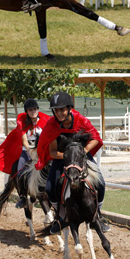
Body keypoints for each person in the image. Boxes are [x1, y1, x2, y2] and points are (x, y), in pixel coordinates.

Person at [35, 92, 106, 234]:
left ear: (69, 108)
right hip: (62, 159)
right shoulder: (51, 125)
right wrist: (68, 157)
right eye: (56, 110)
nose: (59, 113)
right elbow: (53, 152)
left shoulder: (81, 120)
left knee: (101, 183)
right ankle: (60, 217)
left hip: (81, 157)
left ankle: (97, 215)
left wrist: (82, 153)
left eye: (62, 109)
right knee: (49, 187)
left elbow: (96, 139)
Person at [0, 99, 50, 208]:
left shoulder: (46, 121)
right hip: (27, 151)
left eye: (35, 109)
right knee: (19, 170)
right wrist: (30, 152)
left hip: (42, 152)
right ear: (26, 111)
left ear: (38, 109)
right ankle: (23, 197)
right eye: (30, 110)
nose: (33, 111)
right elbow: (24, 140)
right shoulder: (23, 123)